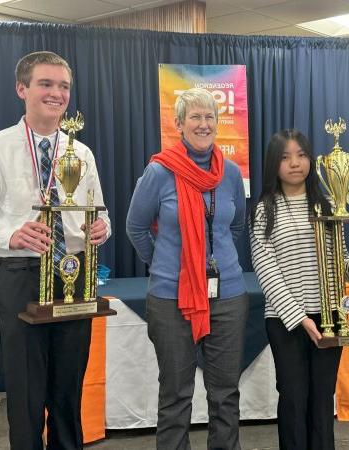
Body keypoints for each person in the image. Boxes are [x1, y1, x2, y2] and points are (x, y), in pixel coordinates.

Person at [0, 51, 111, 450]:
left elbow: (98, 210)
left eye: (64, 86)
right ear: (22, 89)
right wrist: (12, 234)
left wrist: (101, 228)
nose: (56, 93)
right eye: (46, 84)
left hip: (73, 274)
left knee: (67, 390)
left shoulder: (81, 153)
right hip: (21, 275)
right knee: (26, 392)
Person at [126, 88, 248, 450]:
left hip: (227, 295)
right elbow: (136, 227)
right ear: (179, 124)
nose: (204, 123)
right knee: (176, 394)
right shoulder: (159, 171)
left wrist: (214, 264)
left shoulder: (229, 172)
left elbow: (236, 226)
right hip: (170, 296)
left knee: (225, 394)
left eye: (210, 116)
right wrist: (167, 264)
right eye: (195, 117)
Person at [249, 129, 349, 450]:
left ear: (311, 160)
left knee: (323, 398)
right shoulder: (265, 210)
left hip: (329, 316)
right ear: (273, 164)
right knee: (294, 396)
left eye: (301, 155)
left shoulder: (323, 204)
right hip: (286, 322)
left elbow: (338, 259)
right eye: (285, 157)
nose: (295, 163)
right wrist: (298, 317)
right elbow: (266, 270)